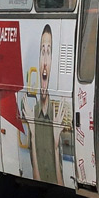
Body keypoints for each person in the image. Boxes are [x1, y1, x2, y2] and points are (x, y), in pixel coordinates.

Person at [32, 24, 61, 184]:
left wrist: (56, 144)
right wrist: (33, 135)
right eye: (42, 52)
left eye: (48, 52)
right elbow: (37, 178)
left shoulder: (59, 113)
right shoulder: (32, 111)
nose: (44, 61)